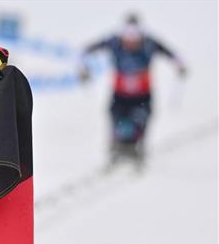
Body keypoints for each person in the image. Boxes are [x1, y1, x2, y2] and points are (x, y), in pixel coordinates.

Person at [80, 13, 187, 169]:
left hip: (142, 95)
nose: (130, 42)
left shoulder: (149, 43)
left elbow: (172, 54)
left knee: (141, 122)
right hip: (120, 95)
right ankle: (115, 150)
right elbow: (86, 50)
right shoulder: (114, 42)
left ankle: (138, 150)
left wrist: (180, 66)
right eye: (127, 39)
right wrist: (83, 69)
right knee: (116, 122)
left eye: (134, 39)